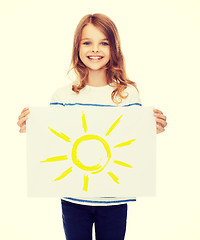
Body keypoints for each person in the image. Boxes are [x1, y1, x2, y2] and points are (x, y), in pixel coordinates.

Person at [17, 13, 167, 240]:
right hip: (73, 198)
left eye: (103, 43)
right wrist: (33, 129)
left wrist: (151, 129)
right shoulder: (63, 95)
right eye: (87, 42)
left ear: (113, 48)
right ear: (77, 47)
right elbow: (55, 141)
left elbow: (132, 142)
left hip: (115, 198)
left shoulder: (127, 94)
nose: (95, 49)